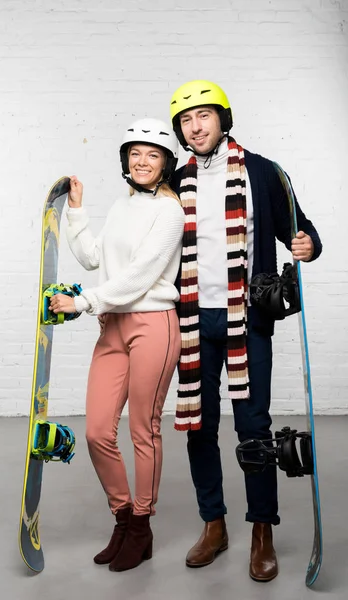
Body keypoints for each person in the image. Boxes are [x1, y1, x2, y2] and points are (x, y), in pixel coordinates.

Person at [168, 80, 322, 581]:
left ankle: (262, 531)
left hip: (246, 318)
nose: (196, 126)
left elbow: (300, 228)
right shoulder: (175, 179)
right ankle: (214, 524)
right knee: (199, 425)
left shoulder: (261, 170)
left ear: (222, 119)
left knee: (253, 428)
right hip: (191, 319)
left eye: (204, 116)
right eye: (187, 121)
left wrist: (307, 244)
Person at [49, 118, 185, 572]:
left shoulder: (169, 211)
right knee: (96, 430)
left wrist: (83, 302)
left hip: (154, 326)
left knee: (142, 430)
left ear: (166, 163)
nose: (142, 161)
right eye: (135, 153)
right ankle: (122, 517)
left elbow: (141, 276)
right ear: (126, 160)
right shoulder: (122, 206)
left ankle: (142, 526)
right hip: (112, 327)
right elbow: (92, 258)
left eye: (153, 154)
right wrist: (77, 210)